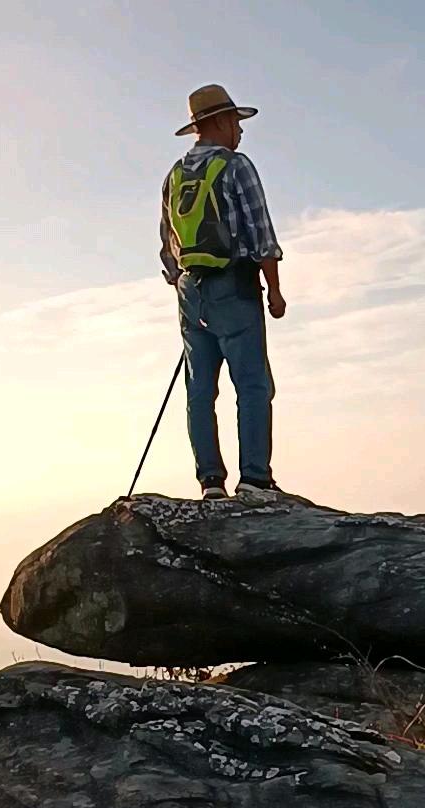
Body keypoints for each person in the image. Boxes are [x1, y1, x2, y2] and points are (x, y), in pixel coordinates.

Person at [159, 84, 287, 502]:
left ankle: (210, 482)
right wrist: (274, 290)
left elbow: (168, 245)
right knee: (252, 385)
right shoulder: (236, 167)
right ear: (216, 122)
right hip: (235, 285)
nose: (240, 130)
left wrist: (184, 287)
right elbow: (261, 234)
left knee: (200, 391)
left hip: (189, 293)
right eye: (234, 121)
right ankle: (255, 480)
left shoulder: (175, 176)